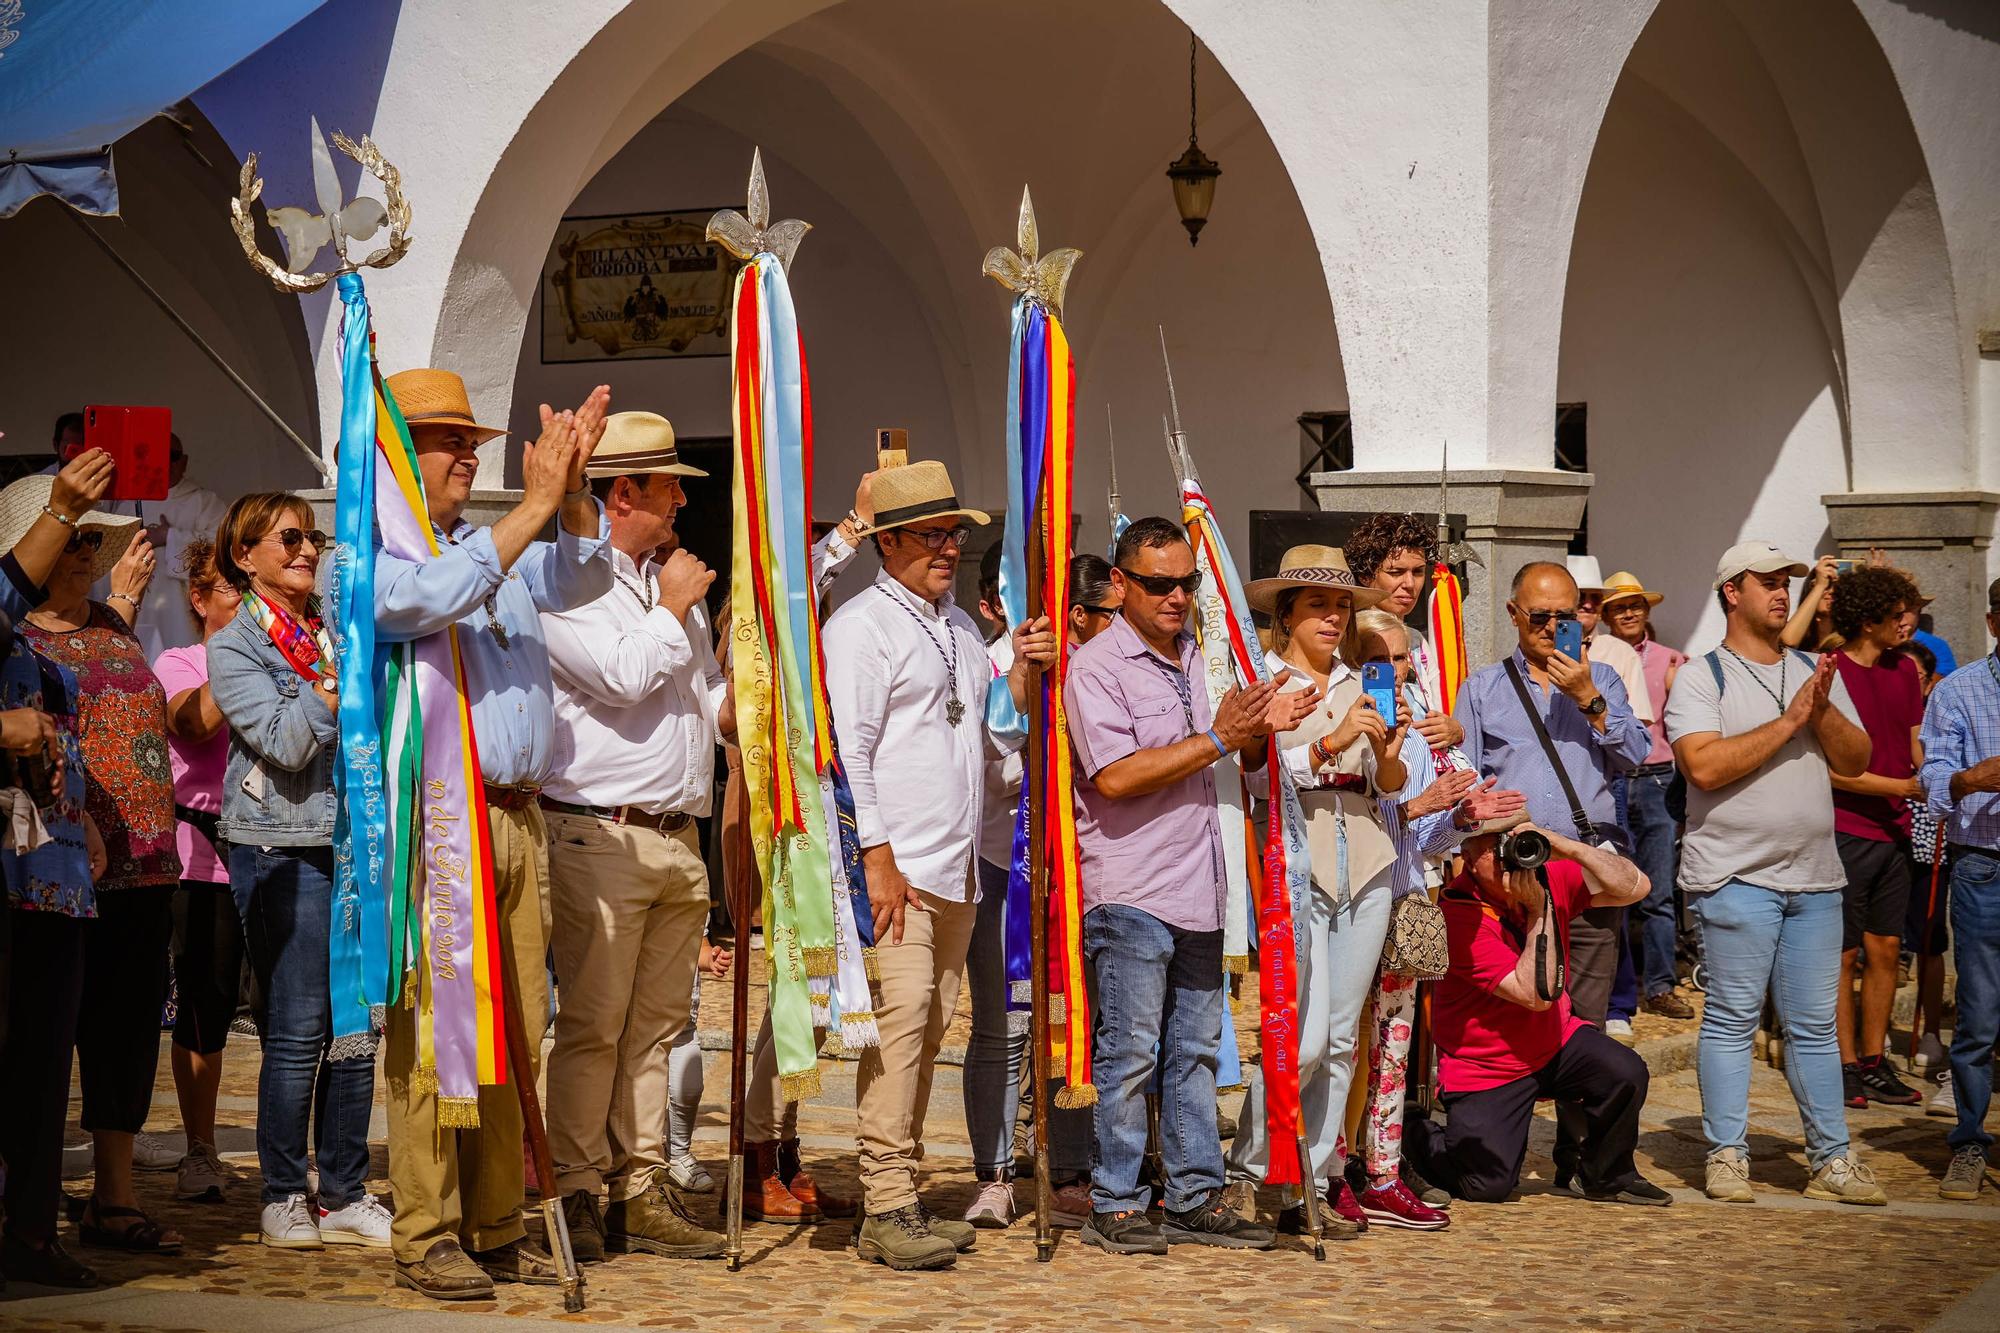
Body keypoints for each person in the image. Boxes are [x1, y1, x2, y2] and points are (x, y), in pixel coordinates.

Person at [373, 369, 614, 1300]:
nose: (470, 453)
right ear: (399, 453)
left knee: (519, 1023)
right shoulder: (380, 555)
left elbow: (585, 572)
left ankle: (494, 1216)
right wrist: (540, 501)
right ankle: (425, 1226)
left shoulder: (487, 540)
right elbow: (429, 598)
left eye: (473, 438)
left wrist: (579, 490)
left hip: (519, 816)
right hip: (443, 817)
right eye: (448, 438)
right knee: (438, 1024)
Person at [1063, 517, 1316, 1258]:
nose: (1177, 596)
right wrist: (1220, 738)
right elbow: (1114, 776)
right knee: (1132, 1051)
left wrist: (1264, 728)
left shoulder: (1200, 660)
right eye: (1159, 583)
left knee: (1197, 1051)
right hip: (1132, 885)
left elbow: (1228, 759)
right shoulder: (1098, 667)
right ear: (1119, 584)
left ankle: (1195, 1192)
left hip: (1202, 886)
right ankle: (1114, 1198)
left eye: (1187, 583)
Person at [1225, 550, 1496, 1236]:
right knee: (1304, 1035)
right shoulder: (1266, 681)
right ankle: (1256, 1165)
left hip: (1369, 857)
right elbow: (1258, 780)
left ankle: (1313, 1179)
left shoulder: (1362, 679)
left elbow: (1391, 782)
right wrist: (1332, 742)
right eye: (1317, 604)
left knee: (1344, 1035)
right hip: (1298, 859)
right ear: (1286, 612)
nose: (1332, 616)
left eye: (1340, 605)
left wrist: (1394, 742)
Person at [823, 459, 1048, 1272]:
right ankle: (884, 1200)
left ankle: (903, 1193)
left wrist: (1019, 677)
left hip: (955, 869)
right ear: (888, 541)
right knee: (901, 1029)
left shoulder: (957, 628)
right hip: (899, 869)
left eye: (954, 533)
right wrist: (874, 854)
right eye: (930, 534)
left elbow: (981, 739)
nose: (948, 547)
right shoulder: (859, 626)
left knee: (926, 1033)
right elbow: (850, 752)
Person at [538, 411, 729, 1264]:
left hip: (675, 835)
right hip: (600, 834)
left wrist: (754, 708)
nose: (683, 503)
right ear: (623, 493)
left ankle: (637, 1181)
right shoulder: (565, 584)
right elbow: (618, 679)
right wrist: (675, 608)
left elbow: (704, 696)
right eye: (669, 488)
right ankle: (577, 1184)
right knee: (593, 1024)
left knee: (655, 1028)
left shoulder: (666, 585)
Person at [1666, 540, 1882, 1205]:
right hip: (1735, 875)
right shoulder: (1704, 676)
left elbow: (1855, 757)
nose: (1783, 591)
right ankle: (1727, 1153)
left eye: (1788, 580)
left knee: (1815, 1023)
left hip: (1816, 877)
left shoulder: (1815, 669)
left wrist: (1820, 710)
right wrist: (1791, 721)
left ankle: (1831, 1159)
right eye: (1768, 581)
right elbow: (1702, 766)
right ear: (1732, 590)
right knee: (1732, 1016)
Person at [209, 494, 389, 1249]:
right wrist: (329, 688)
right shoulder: (236, 645)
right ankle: (283, 1189)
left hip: (352, 840)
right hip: (282, 844)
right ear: (245, 555)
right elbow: (282, 742)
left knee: (357, 1025)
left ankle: (344, 1188)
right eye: (289, 537)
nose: (308, 549)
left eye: (311, 535)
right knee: (297, 1026)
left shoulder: (329, 629)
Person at [15, 474, 186, 1255]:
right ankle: (32, 1203)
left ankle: (113, 1196)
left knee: (125, 1033)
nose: (87, 552)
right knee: (45, 1038)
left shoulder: (114, 629)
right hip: (65, 868)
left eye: (93, 541)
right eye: (75, 539)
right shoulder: (20, 646)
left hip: (146, 865)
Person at [1451, 560, 1649, 1190]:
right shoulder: (1483, 689)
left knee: (1585, 1014)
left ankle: (1583, 1158)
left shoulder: (1606, 678)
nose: (1558, 627)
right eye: (1543, 616)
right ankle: (1496, 1104)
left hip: (1589, 869)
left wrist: (1589, 699)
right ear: (1514, 616)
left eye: (1571, 615)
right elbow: (1464, 780)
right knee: (1520, 1000)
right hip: (1506, 875)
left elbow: (1638, 757)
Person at [1343, 606, 1521, 1227]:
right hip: (1350, 897)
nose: (1391, 671)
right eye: (1376, 660)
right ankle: (1334, 1169)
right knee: (1343, 1044)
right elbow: (1350, 812)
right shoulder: (1342, 715)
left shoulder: (1418, 728)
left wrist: (1463, 815)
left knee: (1393, 1046)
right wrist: (1421, 803)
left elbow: (1429, 837)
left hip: (1407, 897)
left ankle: (1384, 1174)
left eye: (1398, 659)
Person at [1403, 815, 1665, 1204]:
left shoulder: (1546, 875)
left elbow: (1635, 887)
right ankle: (1410, 1131)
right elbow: (1535, 994)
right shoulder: (1459, 917)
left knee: (1624, 1072)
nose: (1508, 858)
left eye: (1510, 842)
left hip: (1553, 1042)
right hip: (1489, 1065)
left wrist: (1566, 847)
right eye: (1494, 849)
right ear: (1469, 860)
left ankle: (1605, 1175)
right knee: (1485, 1186)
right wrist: (1540, 911)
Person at [960, 549, 1109, 1230]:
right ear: (994, 603)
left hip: (1076, 866)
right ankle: (994, 1171)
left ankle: (1071, 1167)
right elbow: (984, 765)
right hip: (1001, 860)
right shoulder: (984, 665)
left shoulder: (1090, 670)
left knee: (1070, 1018)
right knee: (1004, 1022)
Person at [0, 455, 120, 1289]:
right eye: (62, 539)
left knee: (44, 1067)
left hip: (52, 879)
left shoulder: (45, 662)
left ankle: (32, 1233)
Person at [150, 537, 243, 1206]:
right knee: (204, 1008)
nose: (248, 600)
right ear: (200, 598)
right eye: (233, 587)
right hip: (202, 857)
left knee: (293, 1015)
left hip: (278, 853)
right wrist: (250, 661)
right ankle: (201, 1147)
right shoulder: (178, 661)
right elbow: (196, 724)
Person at [1825, 566, 1927, 1108]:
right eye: (1896, 615)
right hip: (1846, 827)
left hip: (1897, 829)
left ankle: (1873, 1059)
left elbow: (1915, 743)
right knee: (1842, 955)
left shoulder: (1905, 669)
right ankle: (1843, 1064)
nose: (1907, 622)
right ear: (1868, 621)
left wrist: (1938, 776)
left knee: (1886, 948)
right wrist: (1904, 786)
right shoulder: (1831, 671)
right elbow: (1829, 770)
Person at [1918, 578, 2000, 1200]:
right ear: (1995, 624)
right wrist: (1973, 778)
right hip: (1984, 866)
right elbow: (1935, 779)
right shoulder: (1957, 690)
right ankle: (1970, 1142)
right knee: (1978, 1014)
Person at [1598, 571, 1694, 1020]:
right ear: (1605, 615)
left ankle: (1659, 985)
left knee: (1657, 888)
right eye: (1619, 606)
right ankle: (1617, 991)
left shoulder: (1673, 660)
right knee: (1613, 886)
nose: (1629, 612)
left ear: (1647, 611)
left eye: (1635, 605)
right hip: (1613, 777)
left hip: (1656, 777)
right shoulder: (1595, 657)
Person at [1342, 511, 1463, 754]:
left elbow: (1436, 708)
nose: (1409, 584)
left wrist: (1454, 730)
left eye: (1418, 572)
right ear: (1366, 576)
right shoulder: (1350, 637)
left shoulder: (1417, 641)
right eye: (1396, 572)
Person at [1900, 639, 1952, 1080]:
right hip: (1889, 836)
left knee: (1930, 937)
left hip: (1931, 840)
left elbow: (1928, 767)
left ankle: (1932, 1031)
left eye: (1915, 676)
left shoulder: (1937, 712)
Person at [132, 434, 229, 661]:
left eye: (172, 457)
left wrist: (169, 536)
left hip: (181, 609)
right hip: (141, 605)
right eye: (159, 457)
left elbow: (222, 546)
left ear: (184, 461)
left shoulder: (205, 501)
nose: (166, 463)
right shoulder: (130, 500)